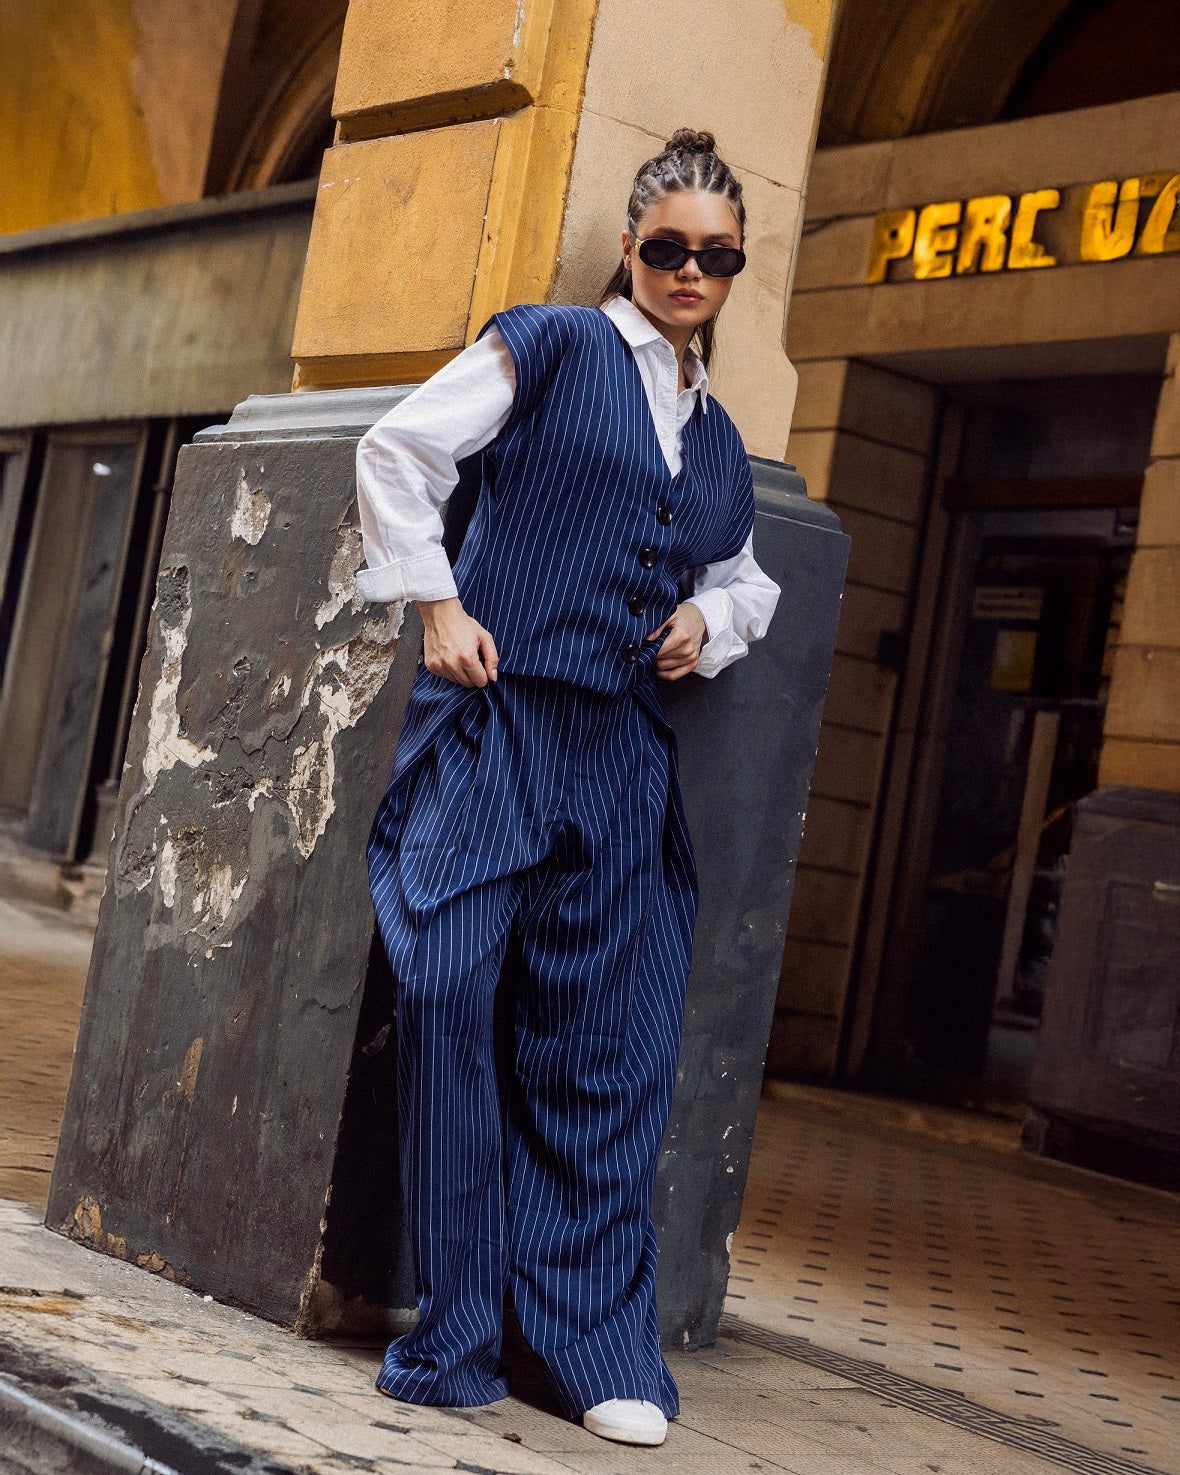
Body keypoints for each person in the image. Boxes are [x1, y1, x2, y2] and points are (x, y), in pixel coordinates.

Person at [353, 127, 780, 1448]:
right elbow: (396, 451)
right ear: (633, 246)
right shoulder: (547, 344)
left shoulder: (712, 426)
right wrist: (436, 603)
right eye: (669, 249)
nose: (691, 271)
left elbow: (743, 574)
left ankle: (592, 1344)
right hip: (500, 721)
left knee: (608, 1049)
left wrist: (711, 625)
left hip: (624, 759)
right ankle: (459, 1328)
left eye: (718, 256)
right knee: (448, 993)